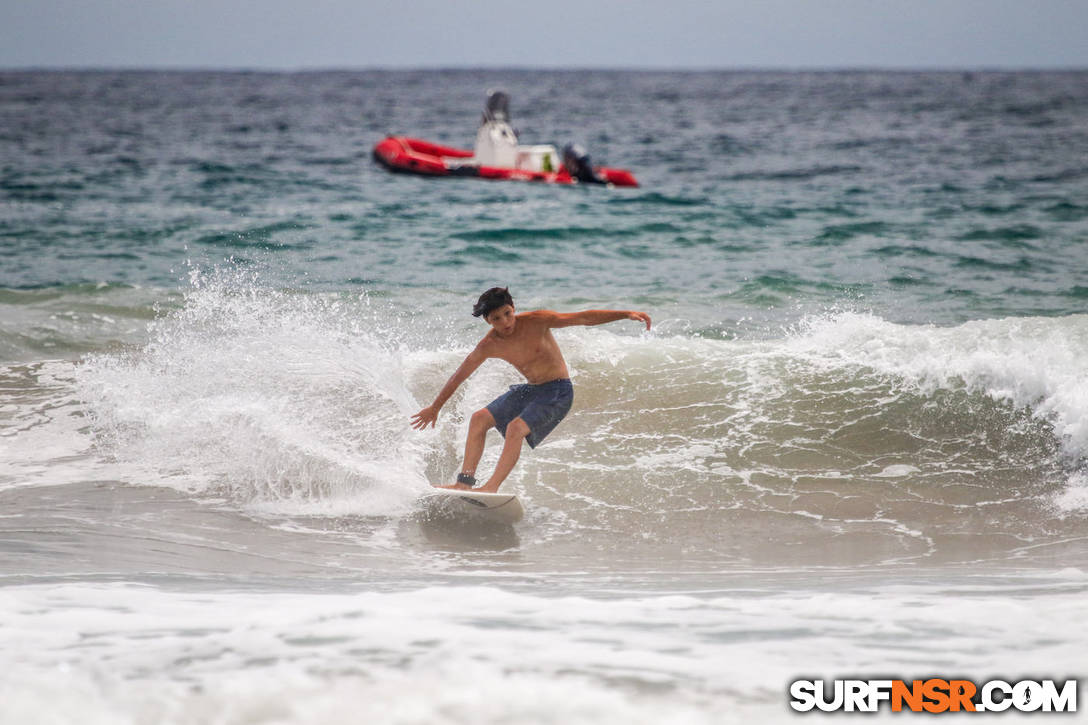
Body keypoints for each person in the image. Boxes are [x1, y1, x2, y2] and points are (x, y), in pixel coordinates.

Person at [410, 287, 651, 493]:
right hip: (532, 390)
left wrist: (625, 314)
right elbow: (459, 376)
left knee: (516, 428)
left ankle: (491, 487)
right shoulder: (489, 345)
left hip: (558, 391)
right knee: (479, 418)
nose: (505, 323)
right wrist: (435, 407)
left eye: (508, 314)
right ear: (487, 321)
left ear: (513, 307)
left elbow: (583, 318)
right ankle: (464, 483)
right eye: (496, 319)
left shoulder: (537, 321)